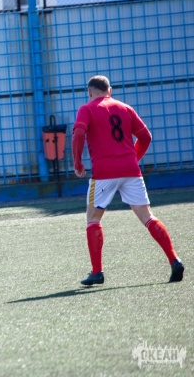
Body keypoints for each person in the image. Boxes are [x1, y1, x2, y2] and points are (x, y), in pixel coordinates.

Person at [72, 75, 184, 286]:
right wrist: (132, 158)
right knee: (147, 216)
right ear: (110, 91)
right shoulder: (125, 108)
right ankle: (174, 259)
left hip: (104, 172)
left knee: (93, 219)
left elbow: (78, 134)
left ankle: (97, 272)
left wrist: (77, 163)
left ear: (89, 92)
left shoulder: (86, 109)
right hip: (131, 170)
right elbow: (146, 137)